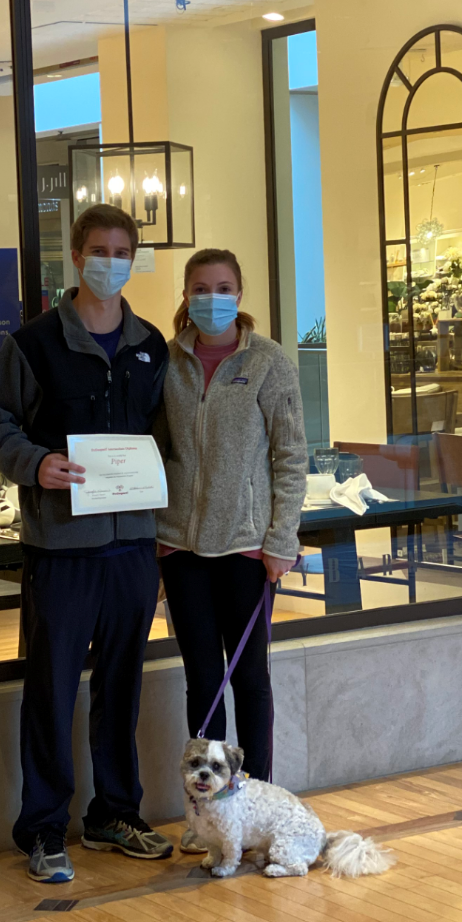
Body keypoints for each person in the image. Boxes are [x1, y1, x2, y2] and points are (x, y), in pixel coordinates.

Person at [0, 205, 172, 884]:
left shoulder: (151, 346)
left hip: (132, 549)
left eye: (120, 250)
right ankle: (44, 827)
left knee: (121, 688)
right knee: (52, 690)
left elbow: (165, 438)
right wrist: (34, 464)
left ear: (132, 257)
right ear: (75, 254)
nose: (108, 260)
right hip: (61, 550)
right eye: (96, 248)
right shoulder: (32, 344)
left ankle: (115, 813)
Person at [156, 248, 307, 849]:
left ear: (239, 295)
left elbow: (291, 457)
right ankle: (209, 816)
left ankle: (259, 804)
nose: (210, 297)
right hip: (181, 547)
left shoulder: (268, 363)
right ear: (186, 294)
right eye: (199, 287)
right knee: (202, 679)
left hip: (247, 549)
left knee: (250, 678)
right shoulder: (167, 363)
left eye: (222, 287)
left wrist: (281, 540)